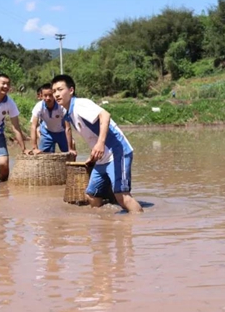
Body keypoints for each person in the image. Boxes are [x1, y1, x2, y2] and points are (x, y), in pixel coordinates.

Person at [51, 74, 143, 213]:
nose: (56, 94)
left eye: (60, 89)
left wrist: (100, 143)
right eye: (54, 91)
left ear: (71, 90)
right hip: (102, 158)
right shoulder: (69, 112)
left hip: (118, 152)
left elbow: (105, 115)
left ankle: (141, 222)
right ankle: (105, 225)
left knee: (122, 196)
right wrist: (93, 155)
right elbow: (91, 135)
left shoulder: (80, 104)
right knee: (92, 195)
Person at [30, 83, 70, 154]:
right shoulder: (39, 106)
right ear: (41, 96)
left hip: (61, 132)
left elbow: (68, 127)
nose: (48, 98)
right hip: (47, 132)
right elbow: (33, 126)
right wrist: (34, 148)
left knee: (69, 153)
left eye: (50, 95)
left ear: (54, 95)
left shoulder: (61, 107)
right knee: (41, 155)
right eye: (45, 96)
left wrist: (71, 147)